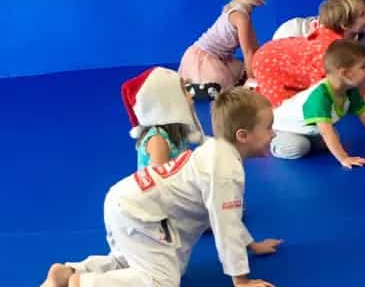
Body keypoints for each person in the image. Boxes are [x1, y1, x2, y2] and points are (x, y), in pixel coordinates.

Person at [41, 87, 283, 287]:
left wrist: (251, 244)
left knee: (132, 259)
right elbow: (225, 225)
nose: (273, 134)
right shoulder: (226, 172)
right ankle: (85, 283)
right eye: (268, 127)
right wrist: (241, 280)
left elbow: (228, 215)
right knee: (162, 282)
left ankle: (69, 271)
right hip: (140, 211)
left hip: (123, 198)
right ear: (243, 135)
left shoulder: (215, 150)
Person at [270, 39, 365, 166]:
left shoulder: (349, 90)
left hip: (309, 129)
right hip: (279, 128)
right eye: (363, 67)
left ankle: (309, 139)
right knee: (300, 147)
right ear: (345, 74)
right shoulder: (320, 97)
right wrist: (344, 158)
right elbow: (327, 132)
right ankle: (273, 143)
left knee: (332, 139)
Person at [271, 0, 365, 102]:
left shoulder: (359, 32)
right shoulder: (324, 41)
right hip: (280, 62)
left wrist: (363, 80)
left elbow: (362, 62)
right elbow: (318, 83)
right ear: (348, 19)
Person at [252, 0, 365, 108]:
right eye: (362, 14)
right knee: (281, 109)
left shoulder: (340, 40)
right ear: (345, 25)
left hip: (275, 54)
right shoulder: (329, 51)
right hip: (268, 61)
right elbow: (317, 87)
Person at [178, 0, 267, 98]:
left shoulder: (240, 12)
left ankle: (199, 86)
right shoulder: (241, 17)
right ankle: (196, 87)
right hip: (204, 59)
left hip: (219, 59)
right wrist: (252, 81)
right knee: (222, 89)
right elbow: (248, 52)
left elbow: (254, 48)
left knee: (241, 72)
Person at [121, 67, 205, 170]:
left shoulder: (179, 131)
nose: (191, 95)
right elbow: (160, 183)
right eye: (184, 90)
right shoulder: (159, 140)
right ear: (168, 101)